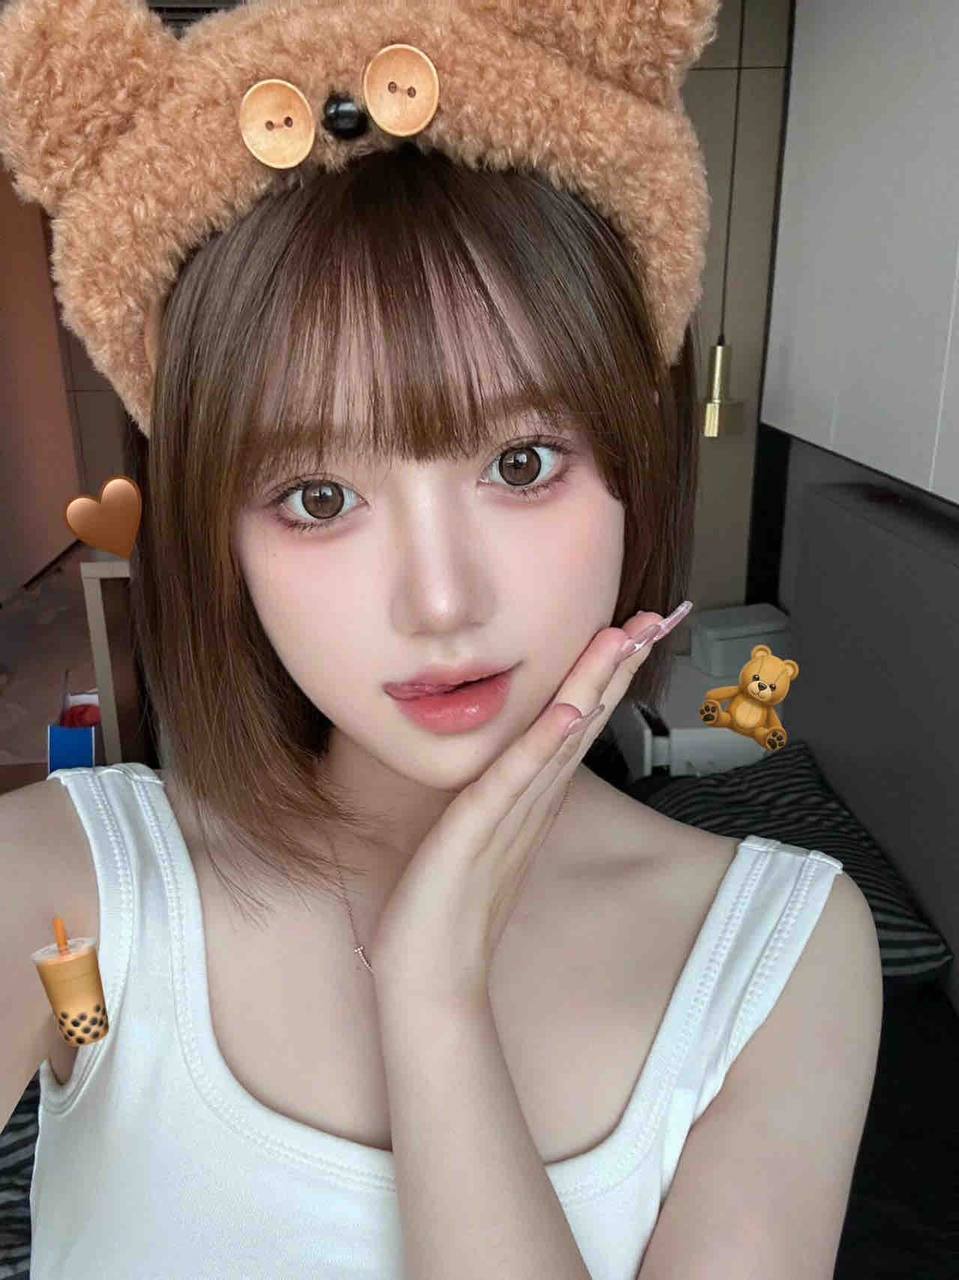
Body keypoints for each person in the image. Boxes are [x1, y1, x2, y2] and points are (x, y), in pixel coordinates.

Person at [0, 6, 881, 1277]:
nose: (438, 600)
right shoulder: (63, 889)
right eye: (317, 497)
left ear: (631, 465)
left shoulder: (778, 955)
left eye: (520, 463)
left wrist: (432, 996)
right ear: (219, 535)